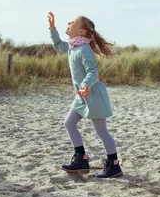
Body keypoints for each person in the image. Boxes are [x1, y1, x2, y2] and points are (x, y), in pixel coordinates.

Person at [47, 12, 122, 178]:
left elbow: (92, 72)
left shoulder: (84, 49)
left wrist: (86, 85)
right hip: (81, 96)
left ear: (81, 32)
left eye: (73, 22)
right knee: (69, 123)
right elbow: (58, 45)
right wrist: (52, 28)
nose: (68, 22)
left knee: (102, 132)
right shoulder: (72, 46)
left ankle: (114, 165)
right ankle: (81, 158)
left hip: (94, 96)